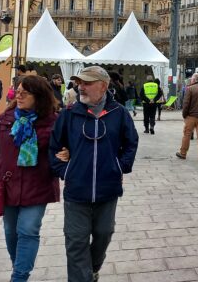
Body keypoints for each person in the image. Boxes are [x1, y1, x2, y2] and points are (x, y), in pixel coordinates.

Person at [49, 66, 138, 281]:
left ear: (104, 86)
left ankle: (91, 269)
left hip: (108, 190)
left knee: (103, 235)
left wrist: (120, 166)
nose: (81, 87)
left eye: (87, 83)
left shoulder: (119, 113)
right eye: (80, 82)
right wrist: (65, 169)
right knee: (76, 240)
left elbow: (131, 143)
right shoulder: (69, 113)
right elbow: (54, 146)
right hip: (76, 191)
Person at [0, 76, 60, 281]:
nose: (19, 94)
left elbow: (64, 149)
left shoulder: (54, 121)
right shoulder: (6, 117)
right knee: (11, 232)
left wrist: (63, 158)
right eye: (18, 91)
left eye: (25, 92)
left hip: (38, 185)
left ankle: (19, 276)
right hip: (7, 183)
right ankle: (19, 266)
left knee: (28, 230)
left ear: (40, 96)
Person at [176, 73, 198, 161]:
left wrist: (184, 114)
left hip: (191, 116)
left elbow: (186, 103)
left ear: (194, 80)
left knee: (187, 135)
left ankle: (183, 153)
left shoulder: (190, 89)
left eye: (192, 79)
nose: (191, 80)